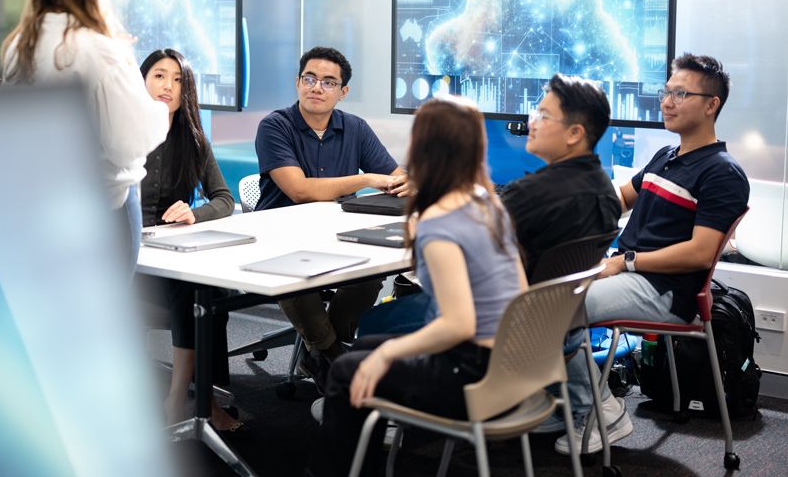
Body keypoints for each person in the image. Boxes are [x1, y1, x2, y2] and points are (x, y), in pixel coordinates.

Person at [305, 96, 526, 476]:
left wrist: (387, 358)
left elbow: (458, 325)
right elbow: (522, 295)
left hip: (474, 378)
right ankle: (362, 455)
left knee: (348, 370)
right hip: (514, 366)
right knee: (364, 347)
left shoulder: (438, 222)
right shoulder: (490, 205)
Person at [556, 53, 750, 455]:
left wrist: (625, 262)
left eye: (680, 93)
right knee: (534, 288)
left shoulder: (721, 172)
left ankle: (599, 412)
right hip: (629, 273)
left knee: (549, 311)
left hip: (664, 290)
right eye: (666, 92)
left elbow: (700, 254)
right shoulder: (667, 157)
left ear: (711, 104)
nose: (666, 102)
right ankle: (575, 406)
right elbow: (620, 199)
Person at [1, 0, 167, 276]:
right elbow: (130, 143)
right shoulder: (98, 50)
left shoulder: (21, 45)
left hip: (40, 206)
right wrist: (157, 107)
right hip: (105, 210)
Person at [254, 46, 409, 390]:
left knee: (371, 275)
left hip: (337, 235)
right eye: (309, 78)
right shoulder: (275, 126)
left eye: (328, 82)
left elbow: (394, 176)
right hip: (278, 234)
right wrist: (367, 179)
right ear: (297, 83)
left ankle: (320, 353)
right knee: (296, 276)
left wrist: (407, 179)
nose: (316, 87)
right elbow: (299, 191)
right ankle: (333, 358)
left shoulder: (354, 127)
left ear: (343, 92)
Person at [138, 48, 242, 433]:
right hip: (126, 263)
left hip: (170, 256)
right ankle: (194, 400)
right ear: (142, 81)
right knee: (192, 290)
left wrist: (192, 214)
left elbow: (225, 200)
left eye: (178, 80)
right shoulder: (118, 136)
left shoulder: (193, 141)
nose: (168, 86)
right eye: (159, 76)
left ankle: (191, 396)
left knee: (206, 290)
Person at [500, 73, 621, 279]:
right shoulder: (607, 194)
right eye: (535, 114)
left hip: (499, 306)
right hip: (554, 309)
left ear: (575, 133)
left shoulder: (529, 194)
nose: (532, 124)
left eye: (544, 116)